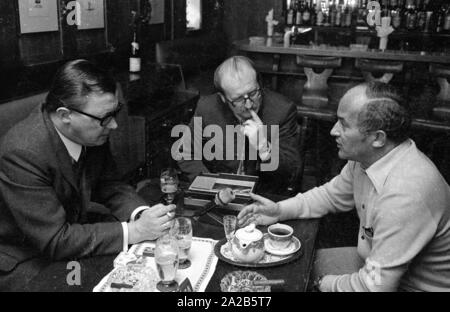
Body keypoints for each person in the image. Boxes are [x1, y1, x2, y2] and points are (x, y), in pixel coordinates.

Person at [238, 81, 450, 292]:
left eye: (344, 124)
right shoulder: (368, 159)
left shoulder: (406, 193)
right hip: (380, 269)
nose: (333, 131)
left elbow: (372, 288)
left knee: (293, 278)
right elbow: (329, 196)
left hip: (408, 287)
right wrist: (279, 211)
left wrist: (320, 283)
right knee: (289, 265)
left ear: (377, 138)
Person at [0, 59, 175, 291]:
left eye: (116, 113)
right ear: (65, 116)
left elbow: (110, 184)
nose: (113, 125)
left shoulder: (91, 126)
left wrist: (142, 215)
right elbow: (55, 240)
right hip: (26, 256)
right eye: (105, 118)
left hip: (71, 232)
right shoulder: (22, 152)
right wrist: (135, 231)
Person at [176, 56, 300, 193]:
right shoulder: (207, 108)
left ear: (259, 84)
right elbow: (185, 152)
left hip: (263, 197)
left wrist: (264, 148)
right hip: (219, 194)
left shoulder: (282, 110)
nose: (248, 104)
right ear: (223, 98)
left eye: (253, 93)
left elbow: (291, 172)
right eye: (238, 99)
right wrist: (210, 186)